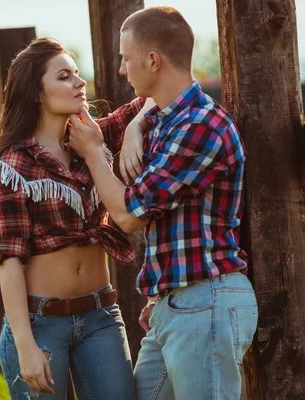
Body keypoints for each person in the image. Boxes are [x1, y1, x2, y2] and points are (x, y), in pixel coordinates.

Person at [68, 6, 258, 400]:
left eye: (126, 58)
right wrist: (138, 122)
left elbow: (128, 214)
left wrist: (92, 152)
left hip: (205, 301)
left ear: (153, 60)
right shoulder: (164, 118)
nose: (121, 70)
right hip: (175, 304)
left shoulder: (202, 126)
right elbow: (149, 108)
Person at [0, 37, 146, 399]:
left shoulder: (93, 137)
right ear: (37, 93)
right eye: (64, 76)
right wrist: (25, 345)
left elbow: (156, 96)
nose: (79, 82)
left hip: (101, 315)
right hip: (40, 323)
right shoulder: (14, 165)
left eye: (76, 73)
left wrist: (134, 129)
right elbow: (8, 260)